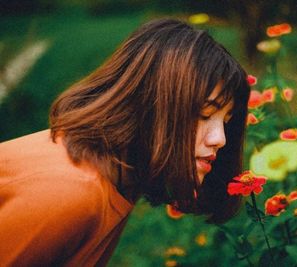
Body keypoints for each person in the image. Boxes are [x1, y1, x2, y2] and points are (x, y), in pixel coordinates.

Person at [0, 18, 250, 266]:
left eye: (225, 120)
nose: (220, 139)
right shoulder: (69, 193)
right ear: (149, 104)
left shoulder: (118, 178)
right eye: (203, 114)